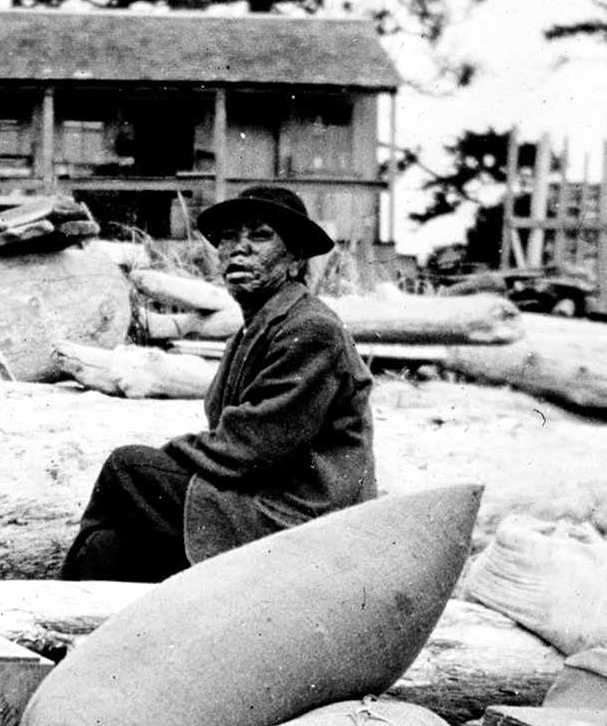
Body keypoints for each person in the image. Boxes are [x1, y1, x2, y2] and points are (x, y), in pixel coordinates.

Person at [59, 184, 376, 582]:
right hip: (254, 504)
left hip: (302, 520)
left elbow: (253, 446)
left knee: (127, 468)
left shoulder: (311, 329)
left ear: (295, 259)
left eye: (260, 235)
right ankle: (70, 614)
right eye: (228, 237)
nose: (239, 248)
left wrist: (163, 459)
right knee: (106, 549)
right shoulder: (250, 334)